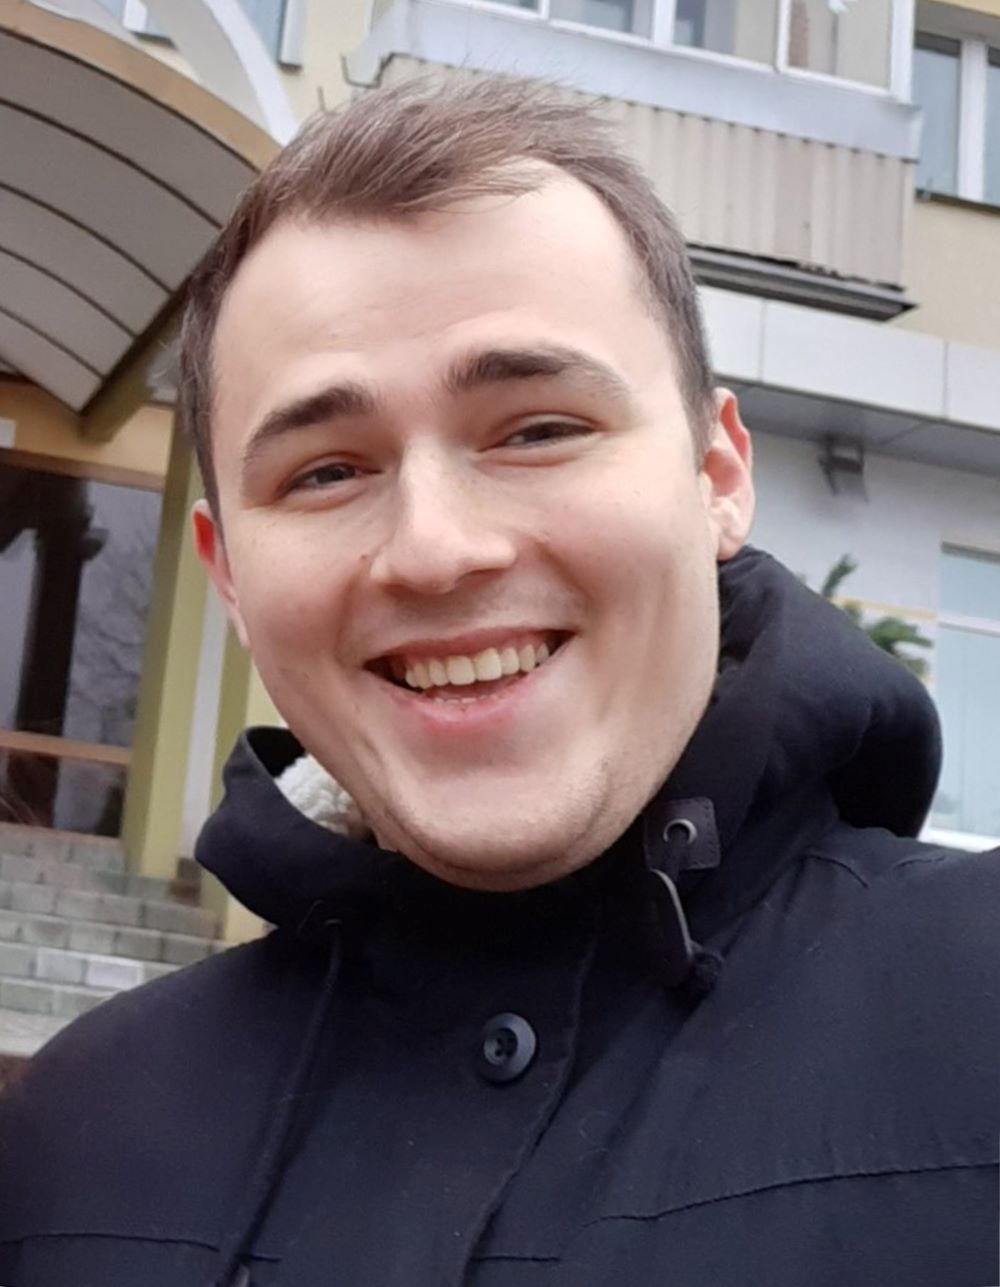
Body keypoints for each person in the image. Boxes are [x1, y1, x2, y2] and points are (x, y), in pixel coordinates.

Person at [1, 76, 997, 1287]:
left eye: (537, 430)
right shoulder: (72, 1143)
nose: (434, 550)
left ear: (716, 476)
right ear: (228, 578)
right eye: (325, 472)